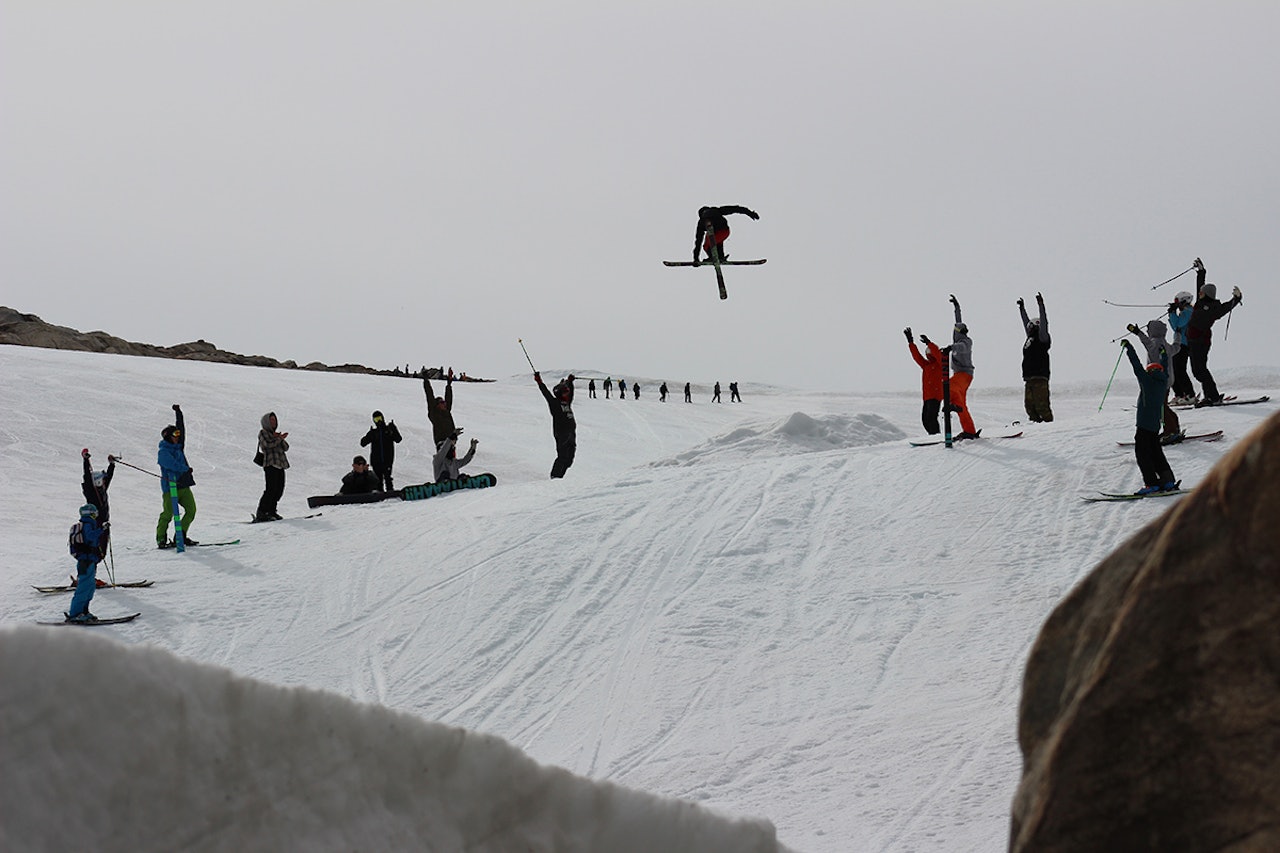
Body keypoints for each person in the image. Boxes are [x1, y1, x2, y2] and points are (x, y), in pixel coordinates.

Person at [1120, 340, 1178, 494]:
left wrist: (1129, 348)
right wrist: (1163, 355)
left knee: (1142, 454)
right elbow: (1165, 368)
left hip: (1144, 425)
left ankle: (1151, 484)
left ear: (1150, 371)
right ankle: (1168, 482)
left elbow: (1137, 366)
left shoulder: (1147, 381)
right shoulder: (1163, 381)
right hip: (1154, 426)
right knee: (1157, 453)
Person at [1185, 259, 1244, 407]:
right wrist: (1201, 271)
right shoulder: (1200, 302)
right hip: (1193, 341)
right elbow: (1200, 284)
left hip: (1201, 342)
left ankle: (1212, 397)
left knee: (1200, 371)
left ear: (1206, 294)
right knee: (1198, 371)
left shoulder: (1214, 308)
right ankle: (1211, 396)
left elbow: (1227, 307)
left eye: (1201, 292)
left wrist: (1236, 298)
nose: (1199, 293)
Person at [1128, 319, 1181, 440]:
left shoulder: (1153, 344)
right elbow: (1177, 347)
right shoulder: (1166, 345)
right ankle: (1174, 427)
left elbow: (1145, 341)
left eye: (1149, 329)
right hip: (1168, 380)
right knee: (1163, 405)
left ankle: (1171, 431)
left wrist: (1137, 332)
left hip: (1157, 380)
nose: (1147, 331)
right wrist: (1177, 334)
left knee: (1160, 406)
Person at [156, 404, 198, 547]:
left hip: (183, 485)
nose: (178, 437)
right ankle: (161, 538)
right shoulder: (163, 451)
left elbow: (182, 429)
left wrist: (178, 413)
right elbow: (171, 464)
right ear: (168, 437)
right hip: (170, 487)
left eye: (178, 435)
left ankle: (181, 535)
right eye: (175, 435)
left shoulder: (178, 447)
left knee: (191, 510)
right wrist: (185, 468)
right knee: (168, 514)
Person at [67, 503, 108, 622]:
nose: (96, 515)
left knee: (89, 587)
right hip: (85, 560)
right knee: (84, 586)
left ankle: (84, 611)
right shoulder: (87, 525)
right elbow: (90, 537)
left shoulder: (89, 524)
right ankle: (75, 614)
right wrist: (102, 529)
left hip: (89, 559)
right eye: (94, 512)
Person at [949, 295, 980, 439]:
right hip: (958, 373)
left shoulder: (967, 341)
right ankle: (969, 431)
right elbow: (958, 320)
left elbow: (961, 347)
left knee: (950, 386)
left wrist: (951, 347)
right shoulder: (957, 337)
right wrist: (956, 307)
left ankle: (952, 404)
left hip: (965, 374)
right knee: (962, 405)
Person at [1018, 293, 1053, 423]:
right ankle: (1035, 429)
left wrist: (1041, 304)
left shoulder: (1042, 337)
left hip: (1040, 377)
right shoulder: (1030, 338)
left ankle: (1050, 427)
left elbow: (1045, 322)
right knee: (1030, 407)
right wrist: (1022, 309)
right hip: (1029, 378)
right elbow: (1025, 322)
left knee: (1042, 406)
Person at [535, 372, 576, 479]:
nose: (568, 394)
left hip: (571, 433)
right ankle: (555, 476)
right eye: (565, 392)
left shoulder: (566, 403)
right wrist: (539, 381)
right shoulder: (554, 403)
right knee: (562, 456)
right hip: (562, 432)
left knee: (569, 459)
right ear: (559, 393)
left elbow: (571, 394)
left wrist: (570, 382)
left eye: (567, 392)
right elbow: (545, 393)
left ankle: (560, 477)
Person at [905, 327, 944, 435]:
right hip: (927, 396)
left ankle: (936, 435)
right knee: (925, 419)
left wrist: (929, 343)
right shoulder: (926, 365)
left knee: (931, 417)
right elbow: (917, 357)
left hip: (935, 395)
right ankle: (933, 435)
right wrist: (911, 342)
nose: (928, 355)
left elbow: (938, 354)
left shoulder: (940, 365)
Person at [692, 205, 760, 265]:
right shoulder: (717, 210)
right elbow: (735, 209)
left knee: (706, 245)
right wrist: (750, 213)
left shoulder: (701, 222)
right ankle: (721, 256)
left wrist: (696, 259)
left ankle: (712, 257)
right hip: (725, 232)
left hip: (716, 234)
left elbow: (698, 241)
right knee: (718, 241)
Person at [254, 412, 290, 522]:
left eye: (274, 420)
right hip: (270, 464)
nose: (273, 422)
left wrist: (280, 438)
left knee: (279, 490)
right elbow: (267, 445)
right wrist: (278, 439)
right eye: (271, 420)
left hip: (280, 465)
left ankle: (272, 511)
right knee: (271, 489)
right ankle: (262, 512)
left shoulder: (275, 435)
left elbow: (286, 447)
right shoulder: (263, 433)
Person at [359, 410, 402, 491]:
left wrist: (394, 430)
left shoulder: (388, 430)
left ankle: (390, 494)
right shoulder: (374, 432)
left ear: (382, 418)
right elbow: (362, 443)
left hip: (387, 460)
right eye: (376, 419)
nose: (378, 421)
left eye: (379, 418)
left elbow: (398, 439)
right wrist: (370, 436)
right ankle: (379, 497)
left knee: (388, 479)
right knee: (378, 481)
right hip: (376, 461)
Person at [1167, 289, 1196, 403]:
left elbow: (1177, 325)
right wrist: (1173, 313)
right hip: (1179, 343)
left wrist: (1172, 313)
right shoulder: (1184, 312)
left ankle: (1189, 394)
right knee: (1173, 369)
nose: (1177, 305)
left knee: (1179, 370)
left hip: (1184, 344)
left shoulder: (1189, 312)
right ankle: (1179, 394)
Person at [423, 369, 457, 448]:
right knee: (444, 460)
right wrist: (426, 380)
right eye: (442, 402)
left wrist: (449, 384)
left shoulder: (447, 411)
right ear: (437, 405)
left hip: (451, 442)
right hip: (441, 443)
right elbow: (429, 395)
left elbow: (449, 398)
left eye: (444, 402)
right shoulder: (434, 413)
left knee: (452, 460)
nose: (445, 404)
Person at [81, 448, 116, 525]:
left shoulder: (102, 488)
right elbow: (87, 475)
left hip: (105, 521)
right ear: (98, 481)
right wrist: (85, 460)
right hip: (96, 523)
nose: (104, 480)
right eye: (102, 479)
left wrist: (112, 464)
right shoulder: (90, 491)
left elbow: (109, 477)